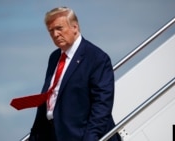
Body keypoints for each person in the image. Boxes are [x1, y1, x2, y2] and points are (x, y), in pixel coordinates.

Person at [29, 7, 121, 141]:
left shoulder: (97, 58)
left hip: (81, 136)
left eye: (59, 28)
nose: (55, 34)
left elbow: (102, 104)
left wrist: (90, 138)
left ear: (75, 27)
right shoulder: (54, 57)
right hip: (53, 134)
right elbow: (50, 97)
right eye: (51, 31)